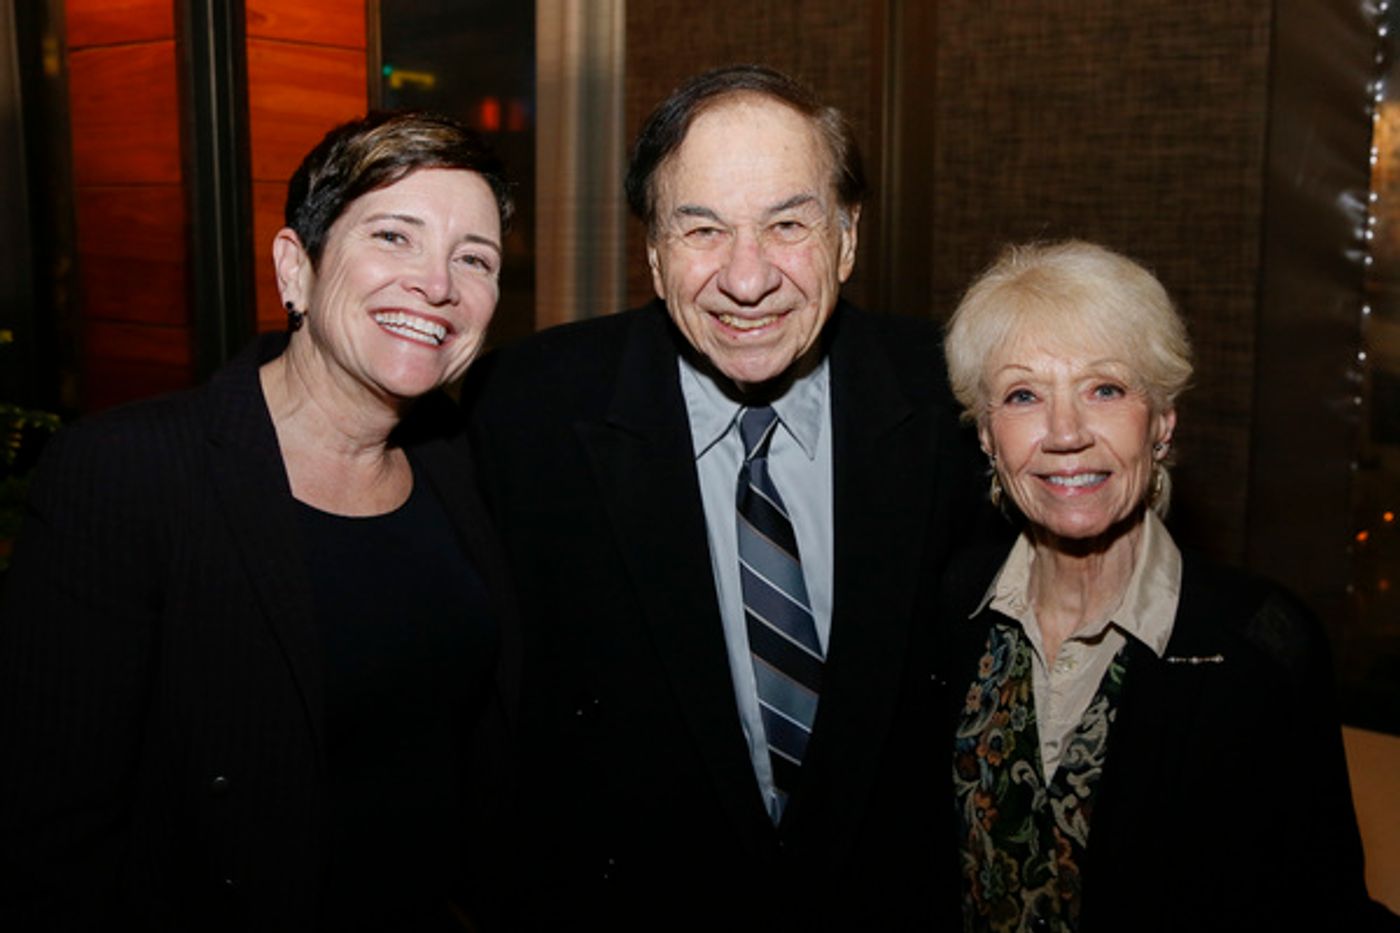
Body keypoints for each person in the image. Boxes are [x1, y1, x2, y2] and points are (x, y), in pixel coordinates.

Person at [462, 65, 989, 930]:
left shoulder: (954, 402)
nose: (748, 280)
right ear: (654, 255)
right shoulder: (526, 411)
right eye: (701, 228)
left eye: (788, 223)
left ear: (848, 239)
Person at [0, 111, 519, 931]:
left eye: (474, 258)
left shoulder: (464, 465)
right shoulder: (127, 475)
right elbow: (46, 834)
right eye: (394, 236)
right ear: (296, 270)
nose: (438, 284)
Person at [939, 240, 1396, 932]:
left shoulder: (1259, 647)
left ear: (1161, 423)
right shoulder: (948, 606)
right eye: (1024, 394)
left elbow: (1317, 905)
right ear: (986, 439)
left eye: (1106, 389)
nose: (1065, 433)